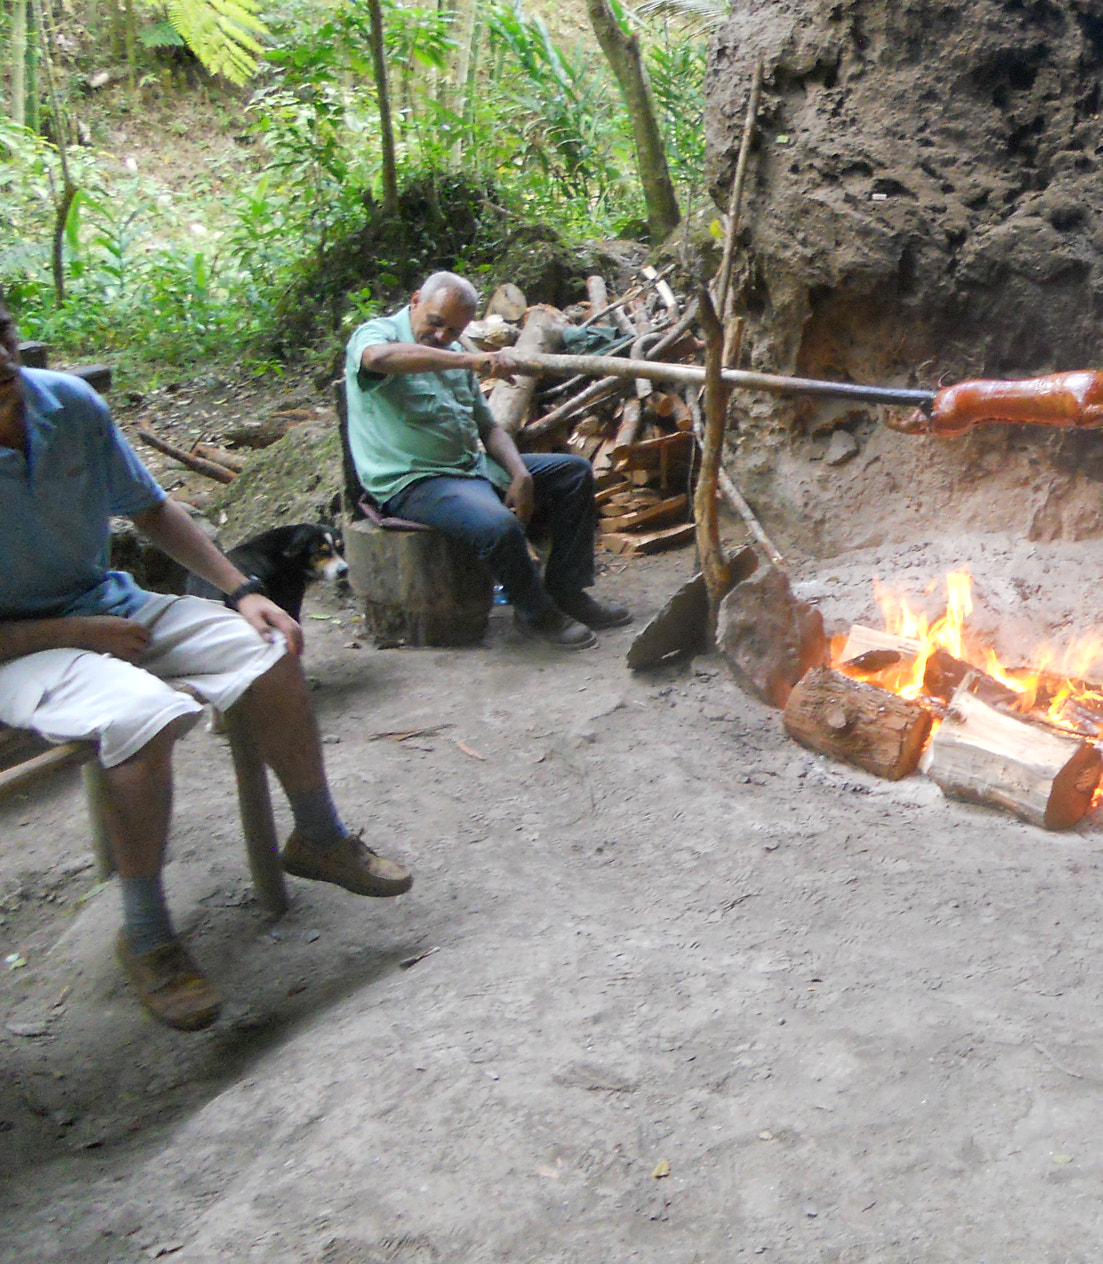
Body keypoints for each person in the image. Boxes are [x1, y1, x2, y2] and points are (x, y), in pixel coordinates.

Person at [0, 291, 412, 1033]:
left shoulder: (64, 404)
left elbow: (152, 508)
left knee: (268, 646)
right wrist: (82, 633)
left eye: (1, 337)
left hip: (110, 605)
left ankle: (317, 836)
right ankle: (150, 937)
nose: (1, 362)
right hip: (20, 643)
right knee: (141, 716)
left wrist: (244, 590)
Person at [345, 271, 631, 649]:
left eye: (454, 329)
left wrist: (519, 474)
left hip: (468, 468)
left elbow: (489, 427)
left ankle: (566, 590)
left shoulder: (457, 349)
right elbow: (377, 359)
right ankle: (536, 614)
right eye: (435, 322)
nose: (443, 336)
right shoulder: (377, 334)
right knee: (498, 525)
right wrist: (466, 359)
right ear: (415, 301)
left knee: (573, 473)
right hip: (411, 481)